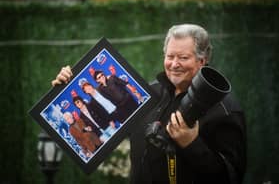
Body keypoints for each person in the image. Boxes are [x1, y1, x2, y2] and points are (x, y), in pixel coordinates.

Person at [52, 23, 246, 184]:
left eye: (183, 57)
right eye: (170, 56)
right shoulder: (149, 93)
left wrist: (192, 144)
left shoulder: (225, 108)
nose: (174, 63)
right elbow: (107, 127)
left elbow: (231, 178)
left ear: (202, 61)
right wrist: (64, 88)